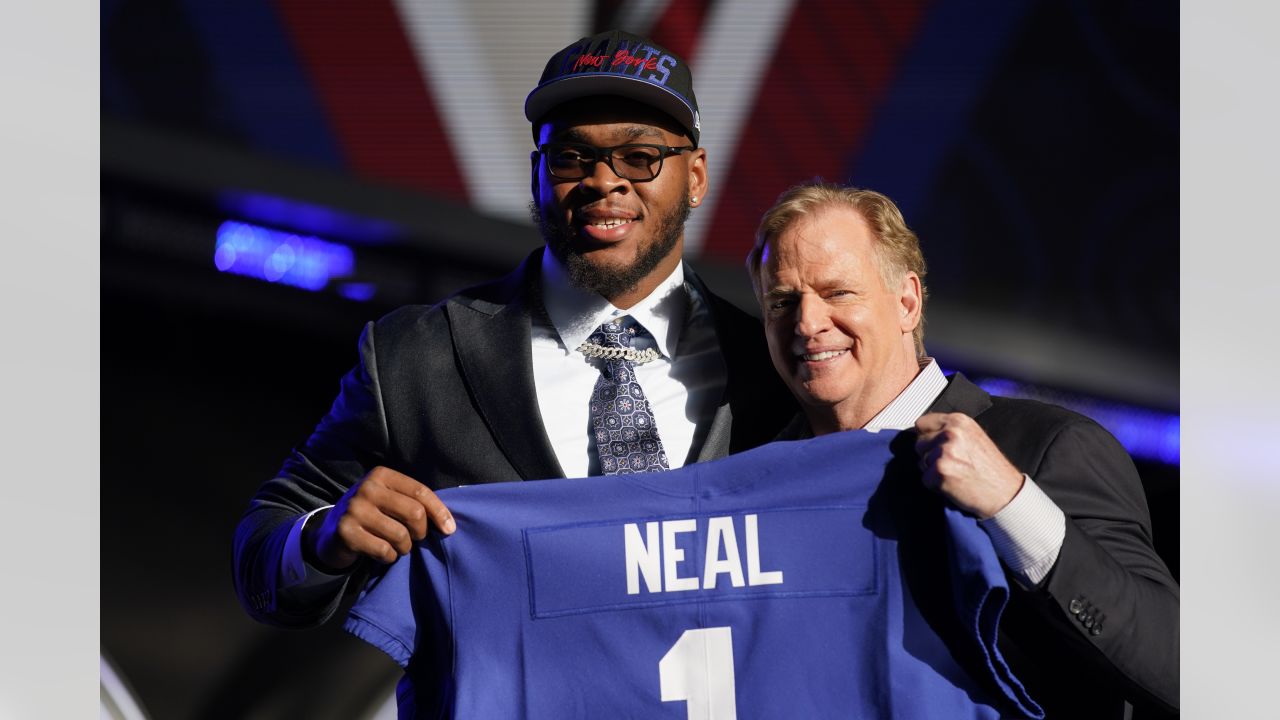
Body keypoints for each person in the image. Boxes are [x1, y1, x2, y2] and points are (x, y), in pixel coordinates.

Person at [233, 30, 793, 629]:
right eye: (571, 157)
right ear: (536, 176)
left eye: (640, 156)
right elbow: (263, 550)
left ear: (697, 176)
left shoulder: (773, 368)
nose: (605, 180)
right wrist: (321, 539)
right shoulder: (417, 356)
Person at [745, 182, 1178, 718]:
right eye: (782, 301)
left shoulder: (1049, 446)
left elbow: (1180, 669)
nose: (807, 324)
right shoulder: (755, 485)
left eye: (837, 292)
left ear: (907, 302)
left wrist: (1013, 504)